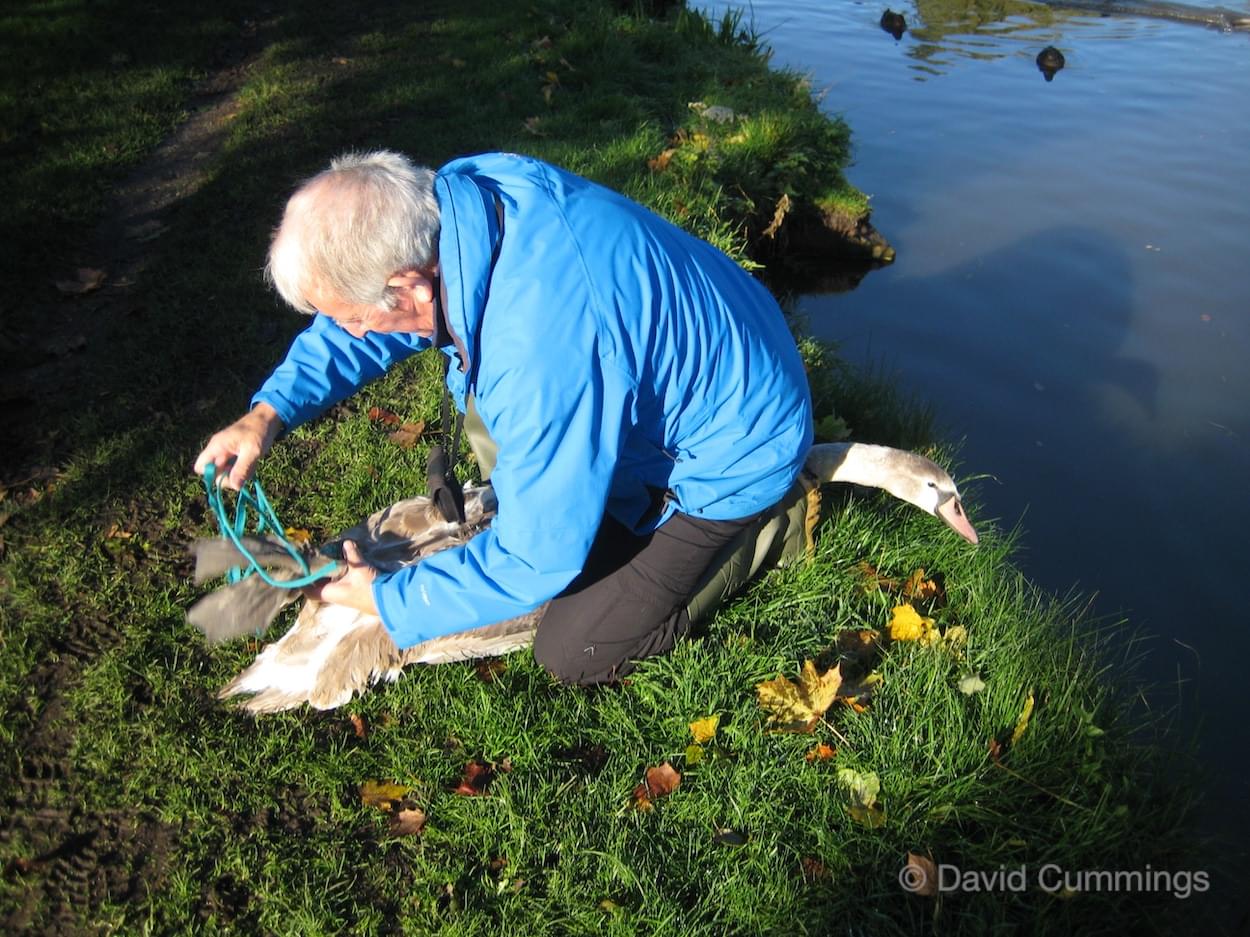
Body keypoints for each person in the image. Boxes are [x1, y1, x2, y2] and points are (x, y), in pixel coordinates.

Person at [194, 150, 813, 684]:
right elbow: (365, 325)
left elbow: (538, 557)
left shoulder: (539, 347)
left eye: (353, 317)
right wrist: (269, 412)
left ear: (411, 288)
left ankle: (765, 528)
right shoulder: (463, 206)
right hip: (714, 355)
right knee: (506, 442)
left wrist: (388, 599)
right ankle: (620, 496)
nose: (351, 331)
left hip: (738, 450)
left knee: (577, 649)